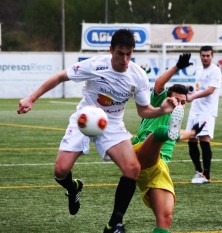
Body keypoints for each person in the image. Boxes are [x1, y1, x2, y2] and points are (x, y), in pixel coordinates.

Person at [17, 29, 177, 233]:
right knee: (60, 170)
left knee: (132, 168)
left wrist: (161, 110)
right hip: (85, 118)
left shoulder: (138, 76)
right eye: (120, 53)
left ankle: (114, 224)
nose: (125, 59)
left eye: (129, 54)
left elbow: (143, 111)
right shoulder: (95, 65)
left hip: (112, 125)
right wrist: (31, 98)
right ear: (111, 50)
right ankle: (73, 187)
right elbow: (60, 76)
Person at [132, 53, 204, 233]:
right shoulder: (160, 104)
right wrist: (178, 67)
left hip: (160, 168)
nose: (179, 104)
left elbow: (180, 134)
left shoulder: (177, 124)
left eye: (183, 102)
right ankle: (161, 135)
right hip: (141, 152)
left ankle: (164, 135)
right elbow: (158, 84)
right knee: (160, 134)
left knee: (165, 218)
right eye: (176, 100)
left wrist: (194, 132)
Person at [185, 46, 222, 184]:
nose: (205, 58)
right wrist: (188, 94)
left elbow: (210, 90)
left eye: (208, 55)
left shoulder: (215, 71)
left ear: (212, 56)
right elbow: (198, 89)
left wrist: (193, 96)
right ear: (200, 56)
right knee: (191, 140)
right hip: (195, 110)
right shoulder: (199, 71)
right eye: (203, 55)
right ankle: (198, 171)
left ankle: (206, 175)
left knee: (204, 139)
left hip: (207, 111)